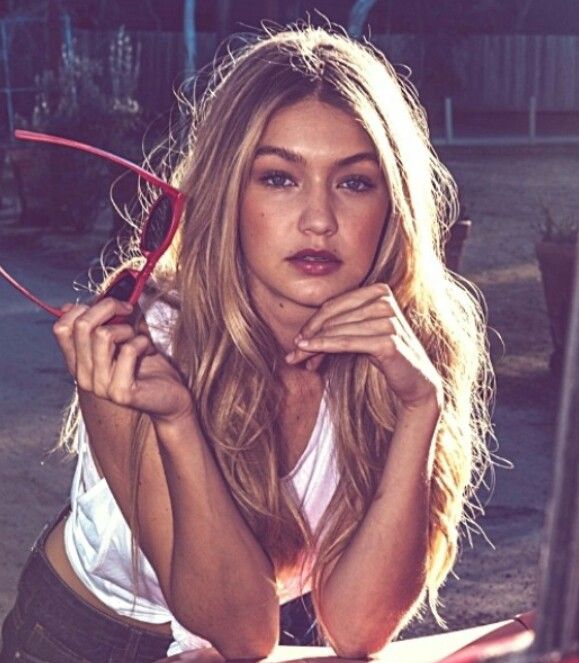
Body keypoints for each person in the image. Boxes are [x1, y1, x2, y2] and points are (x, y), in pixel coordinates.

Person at [0, 22, 494, 663]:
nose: (319, 220)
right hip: (83, 638)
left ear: (392, 206)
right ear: (227, 193)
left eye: (354, 182)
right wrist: (178, 419)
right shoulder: (143, 340)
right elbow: (241, 632)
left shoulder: (415, 348)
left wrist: (419, 410)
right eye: (279, 178)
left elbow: (356, 629)